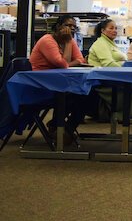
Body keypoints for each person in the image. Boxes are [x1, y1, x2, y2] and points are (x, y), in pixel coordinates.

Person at [28, 14, 88, 143]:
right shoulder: (47, 40)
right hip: (41, 85)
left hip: (58, 83)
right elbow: (62, 65)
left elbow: (80, 59)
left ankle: (64, 129)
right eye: (67, 25)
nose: (71, 29)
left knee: (87, 93)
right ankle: (58, 128)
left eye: (74, 27)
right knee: (78, 96)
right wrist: (67, 45)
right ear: (58, 27)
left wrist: (68, 61)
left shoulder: (70, 40)